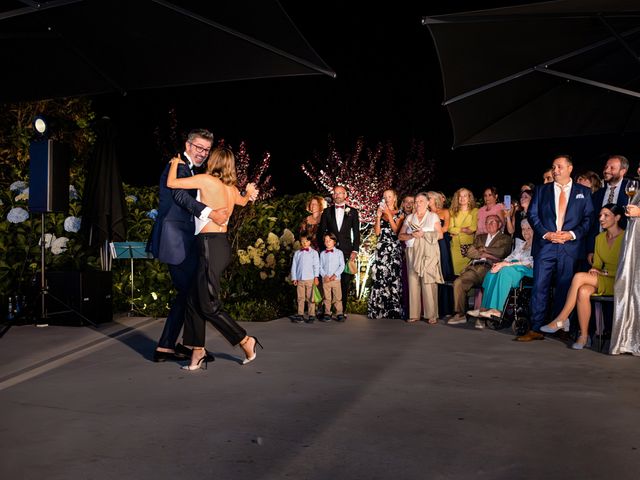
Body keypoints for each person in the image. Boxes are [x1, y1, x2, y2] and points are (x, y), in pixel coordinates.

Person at [166, 147, 261, 370]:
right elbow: (243, 202)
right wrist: (248, 192)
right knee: (193, 298)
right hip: (217, 246)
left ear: (214, 161)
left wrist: (174, 163)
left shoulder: (206, 180)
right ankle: (197, 351)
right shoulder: (230, 188)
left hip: (210, 245)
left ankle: (245, 340)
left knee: (208, 305)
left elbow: (172, 184)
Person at [146, 129, 228, 363]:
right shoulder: (180, 165)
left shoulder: (187, 168)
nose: (203, 153)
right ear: (188, 145)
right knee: (194, 291)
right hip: (175, 241)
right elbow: (181, 197)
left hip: (182, 240)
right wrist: (210, 213)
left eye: (206, 149)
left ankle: (168, 347)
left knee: (189, 293)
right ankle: (189, 346)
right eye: (199, 147)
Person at [518, 155, 594, 342]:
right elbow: (533, 215)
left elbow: (588, 218)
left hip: (570, 246)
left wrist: (571, 234)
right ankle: (536, 329)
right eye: (553, 167)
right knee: (539, 287)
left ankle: (561, 327)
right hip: (545, 246)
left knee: (565, 287)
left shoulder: (583, 192)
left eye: (559, 166)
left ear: (570, 168)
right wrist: (546, 234)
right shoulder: (542, 191)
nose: (555, 170)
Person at [540, 204, 624, 349]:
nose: (601, 219)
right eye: (600, 215)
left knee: (578, 277)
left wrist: (603, 273)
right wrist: (594, 270)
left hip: (619, 279)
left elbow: (629, 268)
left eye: (606, 215)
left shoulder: (626, 237)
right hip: (602, 280)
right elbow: (597, 265)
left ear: (617, 217)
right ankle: (584, 336)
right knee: (583, 291)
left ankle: (562, 318)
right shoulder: (599, 238)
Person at [447, 215, 512, 327]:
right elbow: (469, 252)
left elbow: (501, 252)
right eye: (487, 222)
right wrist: (487, 254)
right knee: (458, 282)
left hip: (491, 268)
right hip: (474, 267)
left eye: (493, 222)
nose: (489, 224)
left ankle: (482, 317)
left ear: (499, 224)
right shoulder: (480, 237)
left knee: (488, 282)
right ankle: (460, 314)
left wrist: (484, 250)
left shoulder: (505, 238)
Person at [468, 218, 534, 319]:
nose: (525, 232)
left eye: (529, 228)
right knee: (492, 272)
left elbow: (530, 262)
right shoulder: (521, 244)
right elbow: (511, 257)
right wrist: (500, 263)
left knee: (505, 271)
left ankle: (497, 310)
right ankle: (484, 308)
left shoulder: (537, 244)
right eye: (523, 229)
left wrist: (506, 265)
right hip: (514, 267)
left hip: (527, 270)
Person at [398, 192, 443, 324]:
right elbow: (401, 236)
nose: (418, 204)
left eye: (421, 201)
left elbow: (440, 235)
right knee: (413, 281)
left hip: (429, 251)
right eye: (416, 201)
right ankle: (414, 314)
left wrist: (424, 234)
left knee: (428, 281)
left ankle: (432, 314)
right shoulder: (410, 218)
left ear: (428, 202)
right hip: (412, 251)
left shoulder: (433, 216)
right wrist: (412, 235)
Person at [610, 163, 640, 356]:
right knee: (626, 285)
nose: (638, 170)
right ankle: (627, 339)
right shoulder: (637, 188)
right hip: (633, 243)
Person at [318, 185, 360, 317]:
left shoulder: (353, 212)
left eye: (340, 193)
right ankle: (327, 310)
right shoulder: (326, 212)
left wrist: (355, 250)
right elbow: (321, 232)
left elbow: (357, 233)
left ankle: (342, 310)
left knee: (344, 281)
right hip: (330, 252)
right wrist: (324, 248)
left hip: (347, 251)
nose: (337, 195)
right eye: (335, 193)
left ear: (345, 195)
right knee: (328, 280)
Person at [586, 155, 629, 266]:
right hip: (600, 248)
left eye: (612, 168)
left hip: (625, 248)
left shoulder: (633, 191)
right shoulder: (597, 194)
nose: (606, 170)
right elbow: (592, 224)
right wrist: (591, 249)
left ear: (623, 171)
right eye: (606, 167)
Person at [368, 189, 404, 319]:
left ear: (394, 198)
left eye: (389, 196)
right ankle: (378, 310)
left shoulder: (400, 213)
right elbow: (377, 233)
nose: (387, 198)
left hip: (394, 249)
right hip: (381, 249)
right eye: (385, 196)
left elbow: (396, 231)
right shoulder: (381, 213)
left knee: (393, 278)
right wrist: (378, 217)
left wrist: (388, 214)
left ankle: (393, 311)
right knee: (380, 277)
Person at [290, 234, 320, 324]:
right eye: (303, 241)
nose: (305, 243)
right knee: (300, 298)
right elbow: (294, 266)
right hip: (300, 279)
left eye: (307, 241)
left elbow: (316, 266)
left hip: (310, 278)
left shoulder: (314, 253)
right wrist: (294, 278)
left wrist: (316, 277)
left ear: (310, 242)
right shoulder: (297, 253)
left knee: (311, 298)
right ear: (300, 242)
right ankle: (300, 314)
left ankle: (311, 314)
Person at [448, 188, 478, 275]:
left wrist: (456, 229)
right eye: (460, 196)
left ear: (469, 198)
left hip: (468, 247)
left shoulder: (474, 211)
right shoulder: (452, 212)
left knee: (467, 275)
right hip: (455, 247)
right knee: (456, 274)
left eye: (465, 196)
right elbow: (450, 228)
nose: (462, 198)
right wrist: (463, 229)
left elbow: (472, 228)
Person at [319, 233, 345, 321]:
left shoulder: (339, 253)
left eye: (330, 240)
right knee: (327, 297)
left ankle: (339, 313)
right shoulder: (322, 254)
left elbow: (342, 266)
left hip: (336, 279)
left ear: (334, 241)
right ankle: (327, 312)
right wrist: (324, 275)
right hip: (326, 279)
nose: (328, 242)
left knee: (337, 297)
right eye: (326, 241)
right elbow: (320, 266)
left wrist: (335, 275)